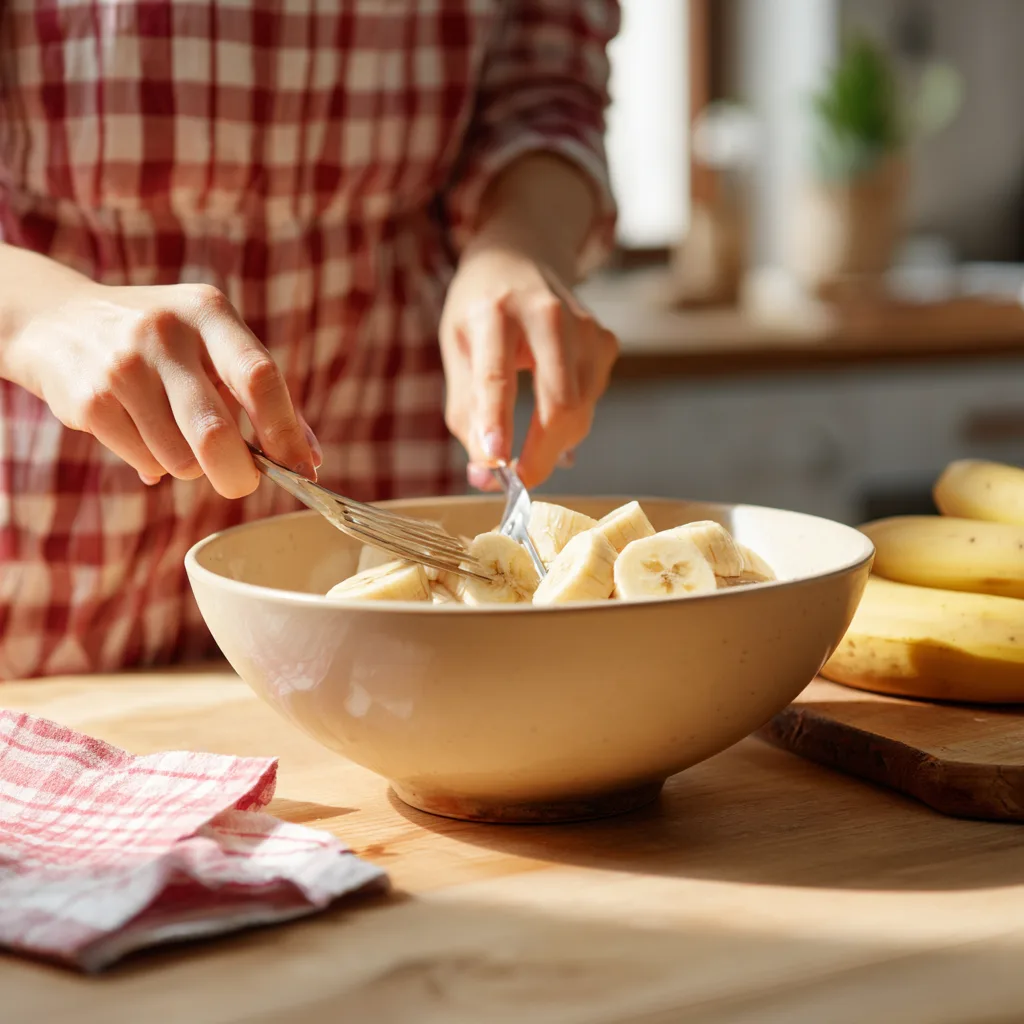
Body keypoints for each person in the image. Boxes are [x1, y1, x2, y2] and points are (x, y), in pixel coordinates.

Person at [0, 1, 621, 679]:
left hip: (384, 452)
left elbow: (546, 95)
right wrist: (40, 313)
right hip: (44, 553)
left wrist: (518, 241)